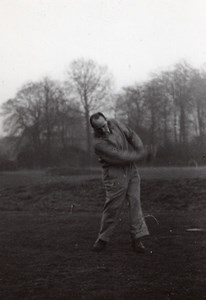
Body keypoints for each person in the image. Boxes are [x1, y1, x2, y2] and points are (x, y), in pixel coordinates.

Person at [90, 112, 149, 253]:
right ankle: (103, 239)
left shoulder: (115, 123)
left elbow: (131, 135)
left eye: (104, 125)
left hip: (131, 170)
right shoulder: (98, 143)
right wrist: (141, 155)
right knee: (113, 207)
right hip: (114, 173)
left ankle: (137, 239)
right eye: (100, 128)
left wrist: (140, 148)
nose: (104, 130)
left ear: (106, 120)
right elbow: (119, 156)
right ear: (95, 129)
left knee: (135, 203)